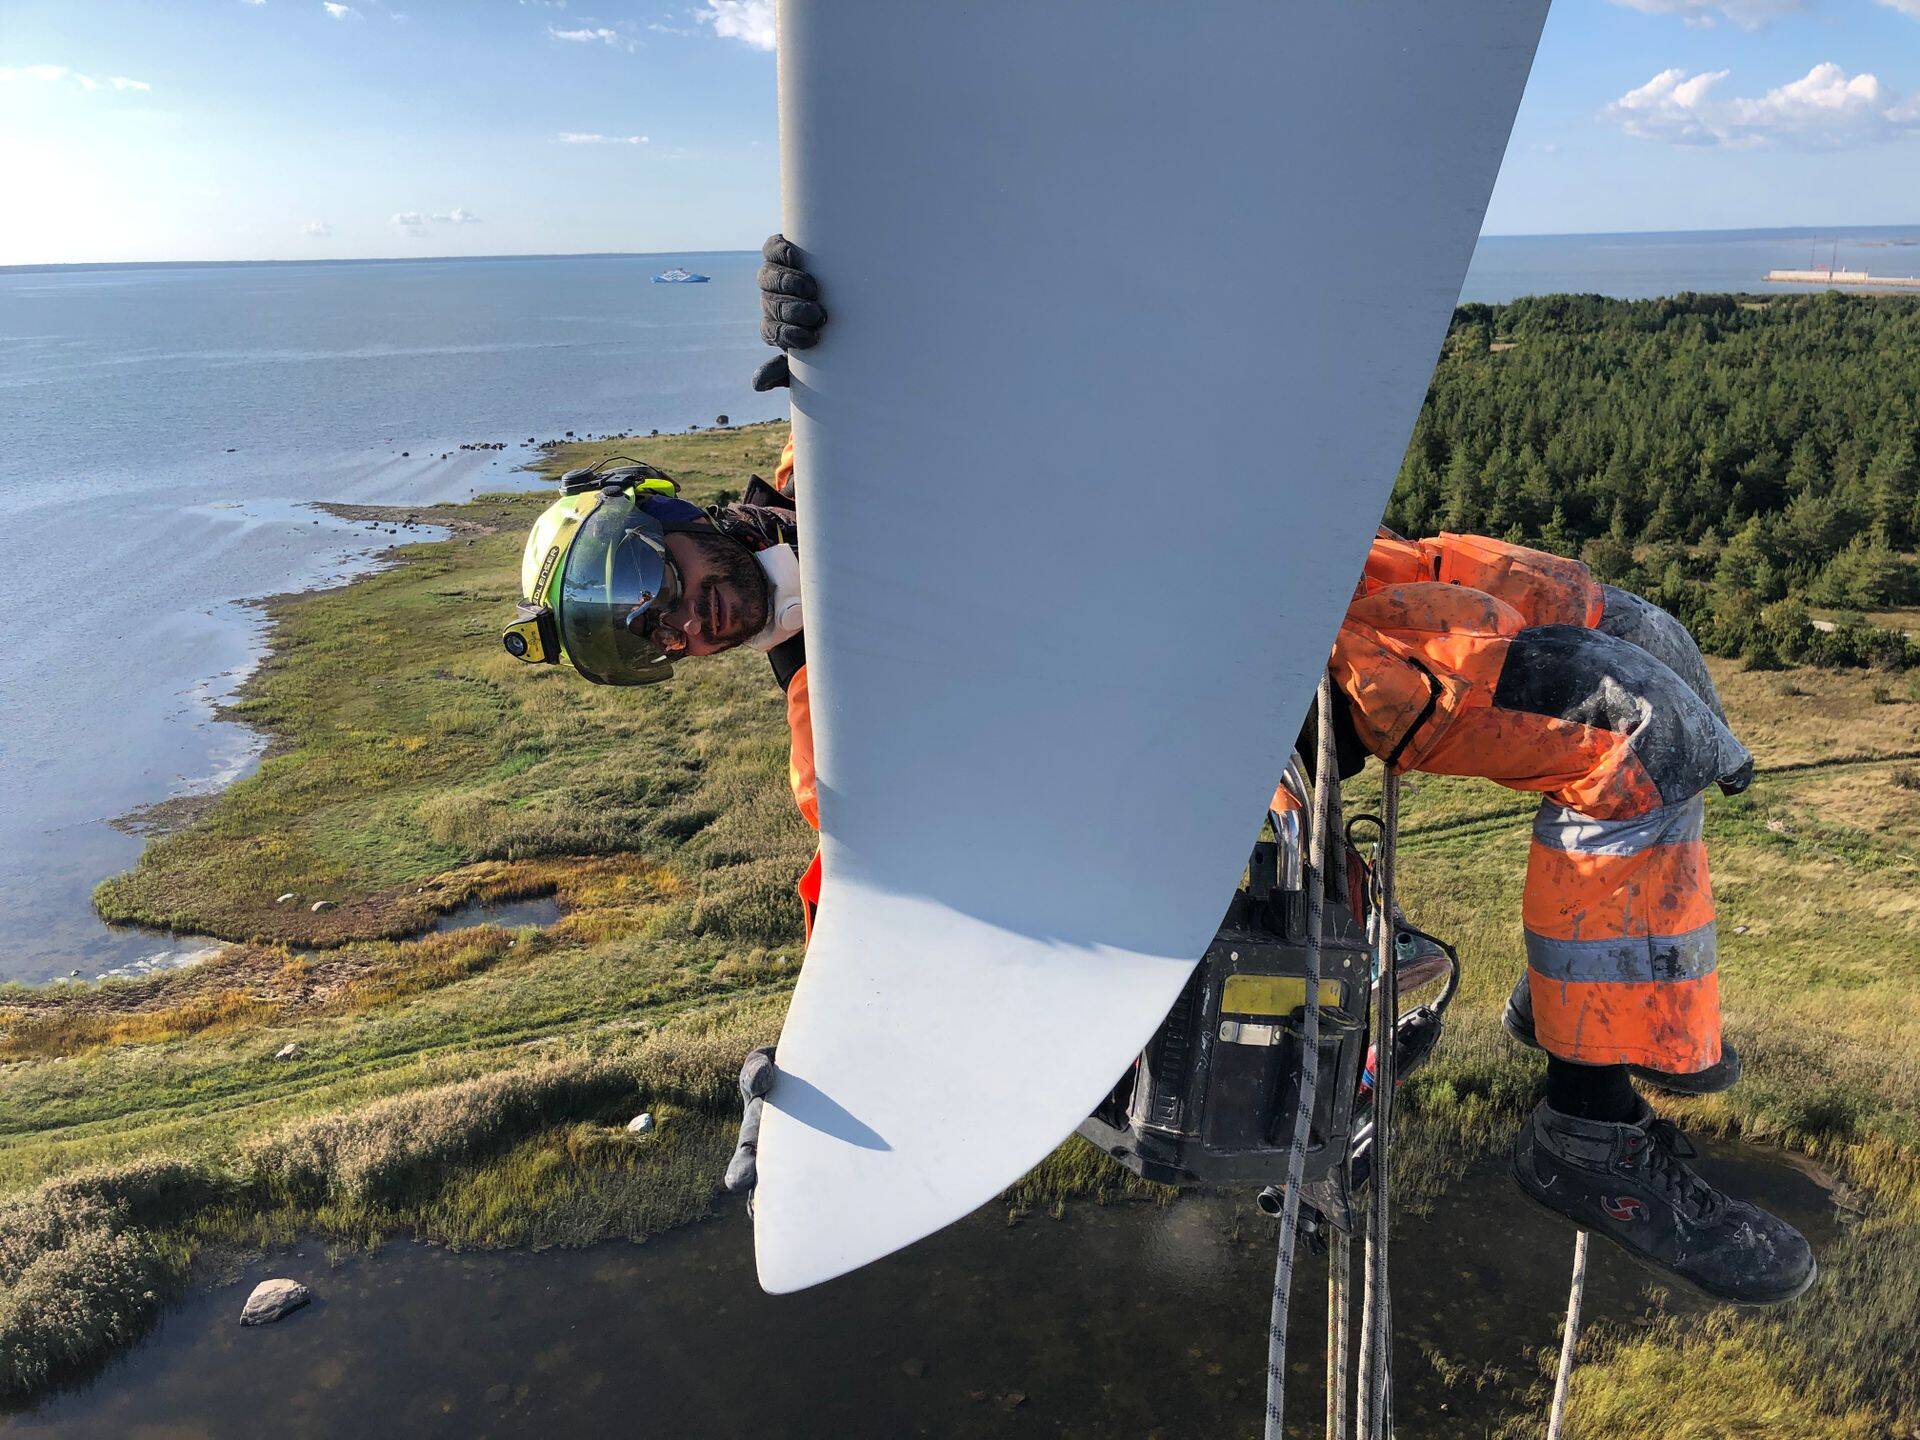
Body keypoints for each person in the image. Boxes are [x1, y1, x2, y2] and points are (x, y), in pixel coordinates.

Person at [501, 236, 1814, 1307]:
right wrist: (851, 1068)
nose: (674, 626)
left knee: (1644, 631)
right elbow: (871, 893)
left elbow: (995, 349)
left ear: (666, 509)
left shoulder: (845, 450)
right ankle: (1595, 1137)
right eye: (636, 648)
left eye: (638, 586)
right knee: (1632, 734)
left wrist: (867, 309)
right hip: (1280, 673)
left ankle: (1572, 1006)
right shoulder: (830, 724)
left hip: (1298, 566)